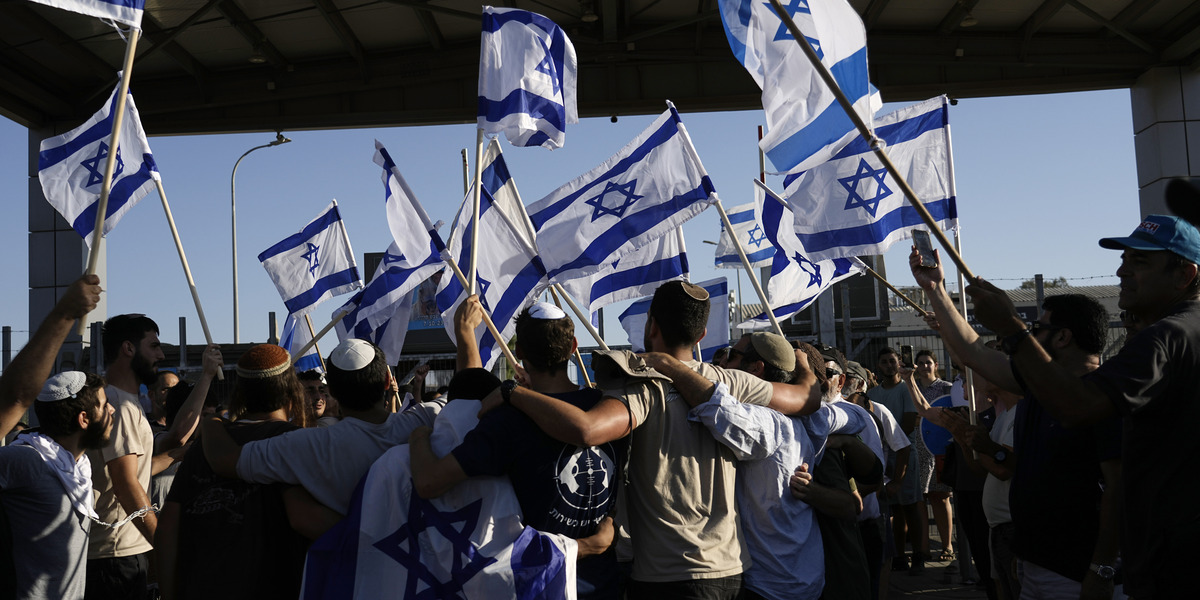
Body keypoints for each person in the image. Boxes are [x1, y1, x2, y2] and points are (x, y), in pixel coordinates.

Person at [475, 281, 822, 599]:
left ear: (651, 325)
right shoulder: (731, 382)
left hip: (665, 575)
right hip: (730, 569)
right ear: (701, 335)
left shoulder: (642, 385)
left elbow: (587, 430)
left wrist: (513, 393)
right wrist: (805, 365)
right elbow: (807, 399)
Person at [964, 214, 1200, 599]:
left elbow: (1077, 407)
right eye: (1124, 259)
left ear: (1184, 275)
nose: (1122, 271)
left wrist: (1012, 329)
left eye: (1140, 262)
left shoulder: (1166, 337)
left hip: (1170, 564)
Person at [410, 298, 627, 599]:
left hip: (540, 585)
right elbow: (471, 388)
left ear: (520, 352)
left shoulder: (507, 421)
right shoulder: (610, 410)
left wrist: (418, 438)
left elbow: (428, 481)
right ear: (574, 345)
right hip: (604, 584)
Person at [701, 334, 873, 600]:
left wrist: (668, 365)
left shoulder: (772, 421)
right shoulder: (810, 419)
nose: (723, 360)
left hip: (781, 582)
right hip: (800, 577)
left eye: (732, 355)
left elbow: (711, 405)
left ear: (756, 368)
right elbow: (854, 416)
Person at [201, 339, 443, 516]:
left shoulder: (309, 443)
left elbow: (224, 460)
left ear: (332, 392)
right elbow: (471, 394)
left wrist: (210, 420)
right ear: (388, 382)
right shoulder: (425, 419)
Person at [156, 344, 309, 600]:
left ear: (241, 392)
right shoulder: (301, 443)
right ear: (292, 390)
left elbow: (168, 528)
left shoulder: (202, 447)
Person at [0, 275, 105, 600]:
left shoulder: (78, 465)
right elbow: (15, 399)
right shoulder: (26, 459)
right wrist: (65, 313)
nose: (112, 414)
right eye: (105, 407)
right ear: (83, 419)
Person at [87, 313, 165, 600]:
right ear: (128, 348)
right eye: (154, 346)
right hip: (115, 555)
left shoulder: (124, 401)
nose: (161, 354)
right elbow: (125, 483)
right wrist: (162, 545)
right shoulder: (118, 403)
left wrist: (177, 454)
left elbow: (129, 471)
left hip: (119, 553)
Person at [867, 347, 925, 574]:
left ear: (899, 362)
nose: (889, 365)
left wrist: (891, 443)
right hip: (883, 456)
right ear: (878, 366)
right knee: (895, 508)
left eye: (893, 361)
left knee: (910, 505)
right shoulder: (873, 394)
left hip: (905, 452)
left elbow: (909, 422)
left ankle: (919, 554)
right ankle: (899, 556)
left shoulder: (906, 389)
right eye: (884, 362)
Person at [913, 349, 955, 564]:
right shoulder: (911, 388)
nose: (924, 366)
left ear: (935, 365)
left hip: (938, 449)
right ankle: (923, 548)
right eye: (920, 362)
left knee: (940, 496)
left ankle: (947, 545)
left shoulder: (947, 389)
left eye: (928, 362)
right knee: (920, 498)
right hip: (917, 449)